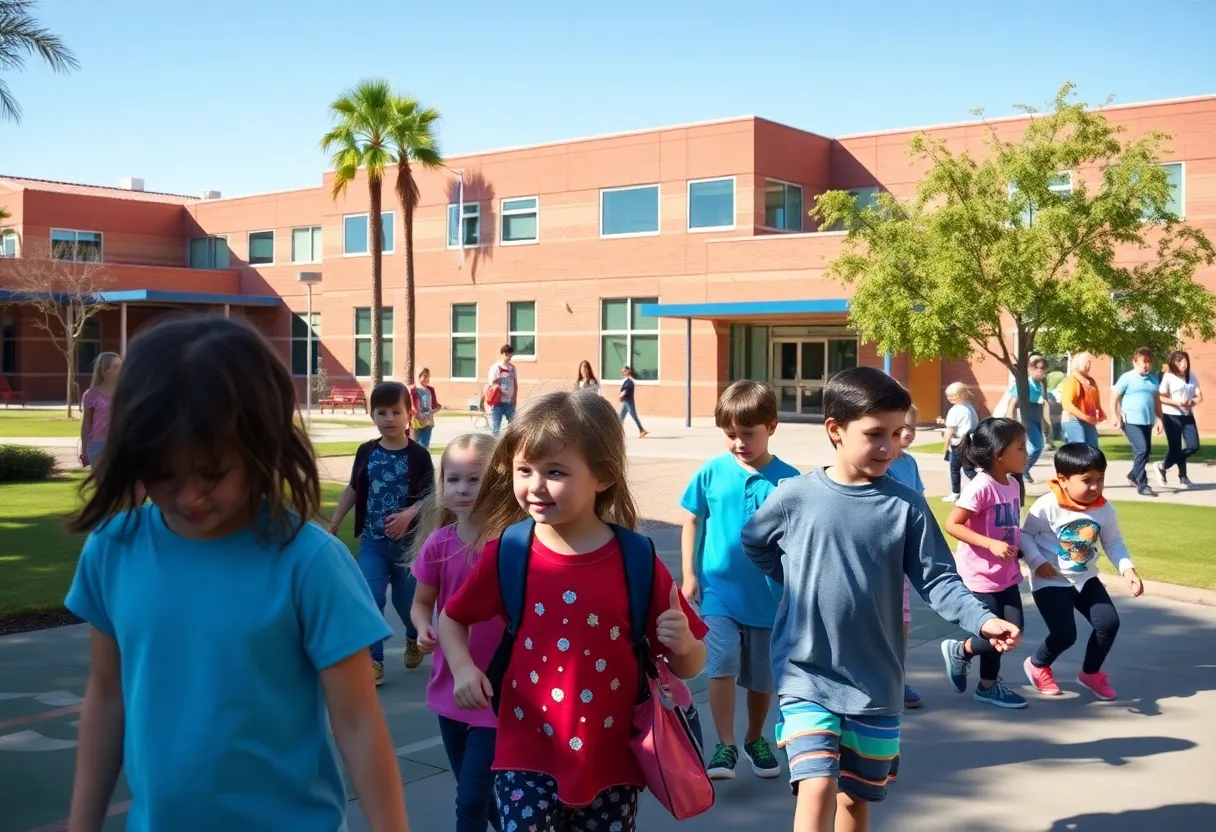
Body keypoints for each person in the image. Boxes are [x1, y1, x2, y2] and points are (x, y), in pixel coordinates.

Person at [63, 316, 408, 832]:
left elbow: (358, 723)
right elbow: (106, 699)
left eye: (212, 473)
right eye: (163, 473)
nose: (189, 496)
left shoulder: (310, 563)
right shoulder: (113, 551)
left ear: (261, 446)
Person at [741, 367, 1021, 832]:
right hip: (804, 674)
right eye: (874, 434)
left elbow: (939, 580)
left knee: (855, 799)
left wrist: (982, 620)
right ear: (835, 430)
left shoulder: (907, 505)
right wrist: (792, 576)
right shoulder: (795, 497)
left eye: (896, 433)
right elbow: (755, 542)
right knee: (816, 785)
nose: (889, 446)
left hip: (876, 684)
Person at [437, 390, 708, 831]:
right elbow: (452, 617)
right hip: (524, 755)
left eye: (555, 471)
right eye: (524, 470)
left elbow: (688, 664)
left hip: (613, 762)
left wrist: (685, 645)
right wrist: (464, 667)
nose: (534, 486)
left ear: (602, 476)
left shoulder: (635, 558)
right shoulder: (509, 551)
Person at [680, 380, 799, 780]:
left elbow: (800, 539)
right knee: (722, 663)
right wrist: (690, 575)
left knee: (762, 679)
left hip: (770, 597)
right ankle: (726, 745)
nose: (738, 443)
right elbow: (693, 519)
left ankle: (754, 738)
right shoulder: (711, 472)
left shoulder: (790, 480)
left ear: (772, 426)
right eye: (730, 434)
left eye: (748, 433)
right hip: (719, 592)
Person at [409, 433, 502, 832]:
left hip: (498, 691)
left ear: (497, 482)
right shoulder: (437, 544)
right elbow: (421, 602)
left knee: (471, 800)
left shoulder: (510, 543)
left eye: (474, 479)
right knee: (477, 793)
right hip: (449, 687)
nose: (461, 489)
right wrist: (420, 627)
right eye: (453, 479)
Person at [329, 381, 436, 684]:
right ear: (372, 415)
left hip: (407, 546)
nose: (388, 418)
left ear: (409, 414)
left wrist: (408, 515)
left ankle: (413, 636)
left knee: (406, 604)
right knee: (370, 597)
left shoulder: (418, 456)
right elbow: (353, 489)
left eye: (395, 412)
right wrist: (335, 522)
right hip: (373, 543)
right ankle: (373, 661)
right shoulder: (366, 452)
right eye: (381, 412)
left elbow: (432, 498)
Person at [1019, 444, 1143, 701]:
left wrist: (1127, 569)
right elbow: (1025, 535)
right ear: (1063, 480)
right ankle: (1038, 664)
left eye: (1100, 479)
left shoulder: (1104, 509)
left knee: (1108, 623)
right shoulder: (1047, 505)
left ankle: (1090, 673)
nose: (1095, 487)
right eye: (1087, 481)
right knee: (1065, 635)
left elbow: (1113, 542)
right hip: (1049, 580)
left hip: (1085, 577)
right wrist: (1036, 560)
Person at [939, 418, 1030, 710]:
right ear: (1000, 453)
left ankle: (968, 659)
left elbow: (1009, 524)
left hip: (1007, 572)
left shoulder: (1013, 483)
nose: (1026, 453)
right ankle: (980, 674)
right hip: (979, 575)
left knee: (1013, 629)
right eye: (1021, 448)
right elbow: (953, 524)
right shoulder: (981, 486)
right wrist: (989, 543)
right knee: (996, 631)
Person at [886, 404, 925, 710]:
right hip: (878, 554)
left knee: (902, 619)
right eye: (900, 428)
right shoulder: (880, 463)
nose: (907, 433)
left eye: (911, 427)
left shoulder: (909, 464)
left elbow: (919, 502)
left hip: (901, 555)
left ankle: (896, 677)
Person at [1112, 347, 1164, 497]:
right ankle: (1143, 485)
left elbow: (1157, 402)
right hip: (1130, 421)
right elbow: (1114, 397)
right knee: (1142, 448)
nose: (1147, 365)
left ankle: (1134, 475)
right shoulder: (1127, 378)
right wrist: (1115, 416)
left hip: (1147, 421)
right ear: (1134, 362)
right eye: (1144, 361)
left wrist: (1160, 419)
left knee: (1145, 452)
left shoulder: (1153, 380)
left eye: (1149, 362)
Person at [1157, 349, 1202, 489]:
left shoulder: (1192, 377)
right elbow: (1161, 397)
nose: (1184, 363)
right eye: (1180, 360)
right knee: (1175, 448)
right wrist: (1177, 403)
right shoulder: (1168, 377)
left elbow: (1200, 396)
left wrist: (1192, 402)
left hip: (1187, 415)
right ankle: (1183, 476)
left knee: (1193, 446)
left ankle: (1162, 466)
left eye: (1185, 360)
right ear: (1173, 363)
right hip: (1171, 415)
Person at [1005, 355, 1053, 483]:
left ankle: (1021, 470)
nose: (1042, 371)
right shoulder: (1024, 384)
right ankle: (1019, 471)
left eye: (1044, 368)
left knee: (1038, 446)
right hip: (1025, 416)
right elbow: (1012, 403)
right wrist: (1011, 421)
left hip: (1036, 416)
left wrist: (1045, 423)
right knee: (1030, 446)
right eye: (1040, 368)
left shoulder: (1040, 385)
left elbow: (1042, 405)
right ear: (1031, 369)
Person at [80, 352, 121, 468]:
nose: (121, 370)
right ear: (104, 370)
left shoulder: (126, 393)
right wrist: (84, 450)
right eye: (116, 367)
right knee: (104, 484)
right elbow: (86, 423)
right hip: (98, 446)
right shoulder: (91, 394)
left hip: (122, 444)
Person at [941, 381, 978, 502]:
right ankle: (983, 487)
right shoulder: (969, 407)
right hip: (970, 441)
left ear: (962, 394)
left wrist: (945, 447)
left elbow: (950, 430)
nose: (950, 398)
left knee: (957, 469)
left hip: (959, 443)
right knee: (968, 468)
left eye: (953, 395)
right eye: (948, 395)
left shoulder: (955, 410)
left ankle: (955, 493)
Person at [1058, 352, 1104, 448]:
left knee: (1093, 450)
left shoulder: (1090, 382)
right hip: (1073, 419)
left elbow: (1095, 400)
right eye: (1086, 362)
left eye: (1090, 363)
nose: (1088, 365)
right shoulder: (1071, 381)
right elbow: (1067, 405)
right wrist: (1085, 417)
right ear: (1078, 363)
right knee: (1079, 450)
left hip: (1088, 420)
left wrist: (1100, 412)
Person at [486, 344, 519, 437]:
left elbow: (515, 384)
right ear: (503, 354)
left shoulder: (512, 368)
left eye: (511, 354)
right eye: (507, 354)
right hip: (498, 403)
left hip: (509, 402)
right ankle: (494, 446)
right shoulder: (496, 368)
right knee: (496, 426)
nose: (509, 356)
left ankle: (510, 444)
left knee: (513, 426)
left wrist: (514, 398)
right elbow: (493, 383)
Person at [409, 368, 442, 450]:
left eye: (428, 377)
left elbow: (436, 406)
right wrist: (419, 417)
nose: (427, 379)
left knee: (425, 445)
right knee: (416, 444)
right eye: (424, 376)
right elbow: (411, 406)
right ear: (418, 377)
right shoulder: (413, 389)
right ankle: (416, 462)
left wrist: (433, 411)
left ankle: (423, 462)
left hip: (428, 421)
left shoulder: (430, 390)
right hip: (416, 421)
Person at [618, 365, 648, 437]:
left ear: (628, 372)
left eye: (624, 371)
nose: (622, 373)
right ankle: (618, 432)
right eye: (622, 371)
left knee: (634, 416)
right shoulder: (626, 381)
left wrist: (620, 396)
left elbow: (626, 390)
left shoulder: (630, 382)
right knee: (621, 417)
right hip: (625, 402)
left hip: (629, 402)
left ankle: (642, 430)